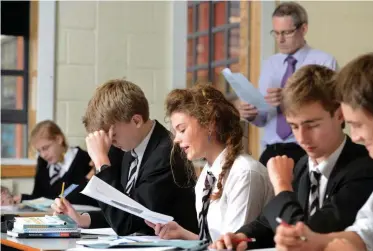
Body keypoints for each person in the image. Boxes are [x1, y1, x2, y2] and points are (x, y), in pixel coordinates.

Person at [212, 65, 373, 251]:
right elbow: (269, 222)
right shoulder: (302, 165)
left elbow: (306, 237)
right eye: (294, 126)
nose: (301, 138)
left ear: (340, 115)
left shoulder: (366, 168)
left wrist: (283, 186)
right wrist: (242, 236)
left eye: (312, 125)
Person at [273, 53, 373, 251]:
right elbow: (370, 229)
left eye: (357, 125)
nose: (355, 136)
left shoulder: (371, 165)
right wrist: (312, 241)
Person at [52, 79, 198, 236]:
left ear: (136, 121)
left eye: (113, 135)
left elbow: (126, 223)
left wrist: (101, 162)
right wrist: (82, 219)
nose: (111, 143)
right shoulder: (129, 148)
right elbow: (126, 210)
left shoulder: (167, 154)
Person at [145, 84, 274, 242]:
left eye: (182, 129)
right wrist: (183, 234)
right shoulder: (206, 176)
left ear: (210, 124)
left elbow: (232, 246)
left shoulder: (244, 173)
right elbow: (215, 243)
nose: (176, 139)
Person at [239, 2, 338, 166]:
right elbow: (263, 119)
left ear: (303, 29)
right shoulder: (269, 64)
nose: (280, 39)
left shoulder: (324, 61)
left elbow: (331, 106)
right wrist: (252, 115)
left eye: (286, 33)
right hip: (272, 149)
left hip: (307, 149)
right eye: (276, 33)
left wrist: (289, 98)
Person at [12, 120, 96, 206]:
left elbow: (70, 197)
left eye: (45, 148)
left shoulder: (86, 160)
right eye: (39, 151)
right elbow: (40, 197)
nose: (43, 155)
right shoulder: (43, 163)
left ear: (59, 139)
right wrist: (24, 198)